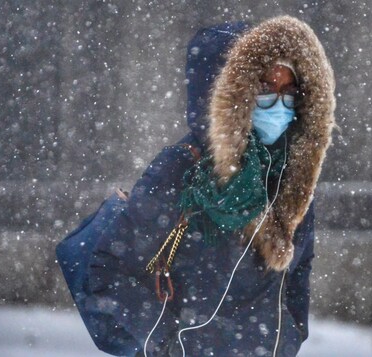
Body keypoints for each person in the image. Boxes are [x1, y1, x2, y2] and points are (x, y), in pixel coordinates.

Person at [87, 16, 335, 357]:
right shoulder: (181, 170)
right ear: (232, 94)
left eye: (289, 92)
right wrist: (166, 341)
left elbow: (298, 273)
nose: (279, 104)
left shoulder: (293, 181)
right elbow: (108, 271)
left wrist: (290, 335)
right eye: (265, 89)